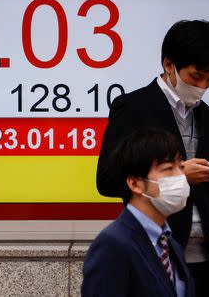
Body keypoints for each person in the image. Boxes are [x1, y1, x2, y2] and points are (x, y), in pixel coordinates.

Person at [96, 20, 209, 296]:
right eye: (196, 77)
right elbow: (109, 181)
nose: (203, 86)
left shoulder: (206, 114)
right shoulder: (133, 107)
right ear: (169, 64)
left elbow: (200, 189)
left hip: (208, 261)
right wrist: (179, 175)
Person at [83, 127, 194, 297]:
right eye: (168, 169)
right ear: (135, 184)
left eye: (181, 167)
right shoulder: (112, 245)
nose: (180, 177)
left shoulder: (169, 242)